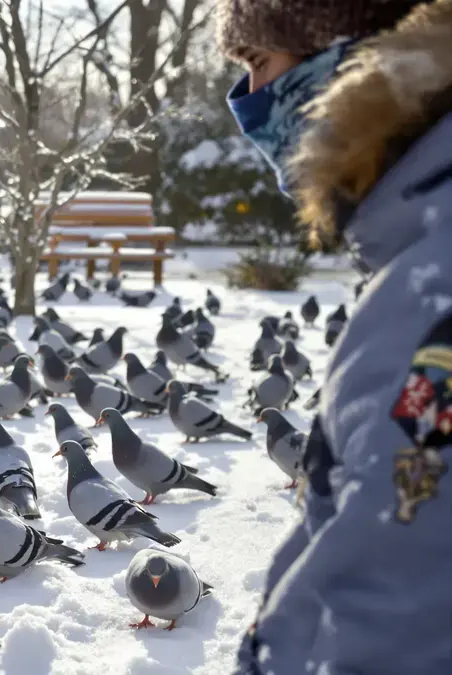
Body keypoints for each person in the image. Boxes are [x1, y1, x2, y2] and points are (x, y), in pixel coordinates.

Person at [217, 1, 452, 673]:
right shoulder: (414, 248)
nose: (251, 97)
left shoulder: (431, 294)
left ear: (355, 52)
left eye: (261, 61)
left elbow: (393, 620)